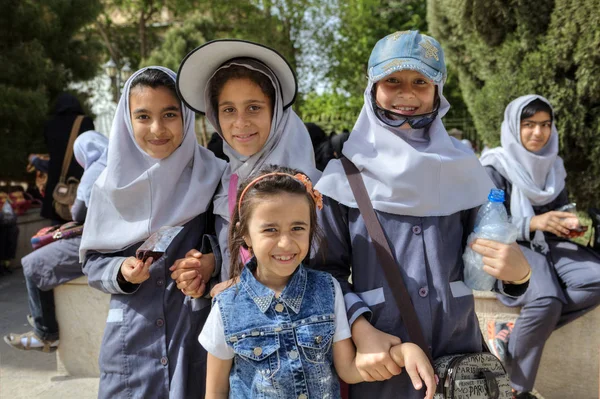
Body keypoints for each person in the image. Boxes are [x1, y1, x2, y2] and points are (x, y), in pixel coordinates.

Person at [312, 30, 532, 399]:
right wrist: (361, 328)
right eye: (392, 81)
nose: (406, 93)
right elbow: (323, 271)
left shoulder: (464, 169)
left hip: (461, 367)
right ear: (372, 87)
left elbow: (484, 262)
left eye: (421, 82)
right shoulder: (343, 179)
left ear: (438, 92)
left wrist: (517, 277)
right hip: (384, 368)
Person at [200, 166, 435, 399]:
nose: (285, 243)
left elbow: (349, 370)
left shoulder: (328, 289)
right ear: (246, 234)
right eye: (270, 230)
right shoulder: (226, 306)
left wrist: (404, 353)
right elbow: (216, 391)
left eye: (297, 228)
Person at [79, 67, 226, 398]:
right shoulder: (108, 188)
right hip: (133, 347)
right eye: (143, 116)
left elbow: (235, 245)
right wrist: (121, 271)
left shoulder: (214, 175)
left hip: (193, 337)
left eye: (170, 114)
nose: (157, 129)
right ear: (127, 121)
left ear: (186, 116)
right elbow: (92, 264)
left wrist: (209, 263)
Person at [480, 95, 600, 399]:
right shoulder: (495, 166)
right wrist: (534, 223)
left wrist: (567, 223)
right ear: (513, 127)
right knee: (547, 300)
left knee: (595, 279)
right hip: (506, 248)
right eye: (529, 124)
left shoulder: (553, 165)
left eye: (545, 125)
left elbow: (555, 211)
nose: (538, 133)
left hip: (547, 244)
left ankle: (511, 335)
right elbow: (485, 225)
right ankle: (516, 388)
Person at [175, 39, 320, 286]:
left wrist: (239, 287)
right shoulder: (223, 182)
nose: (240, 122)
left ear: (276, 112)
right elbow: (238, 251)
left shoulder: (313, 188)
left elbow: (322, 270)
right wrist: (211, 264)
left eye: (253, 107)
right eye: (229, 110)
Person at [3, 130, 108, 353]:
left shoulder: (96, 170)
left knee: (32, 263)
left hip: (100, 243)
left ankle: (45, 333)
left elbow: (79, 214)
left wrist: (74, 209)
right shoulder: (120, 162)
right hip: (115, 241)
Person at [41, 93, 95, 223]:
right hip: (76, 182)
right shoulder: (84, 122)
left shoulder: (50, 124)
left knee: (56, 226)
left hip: (56, 185)